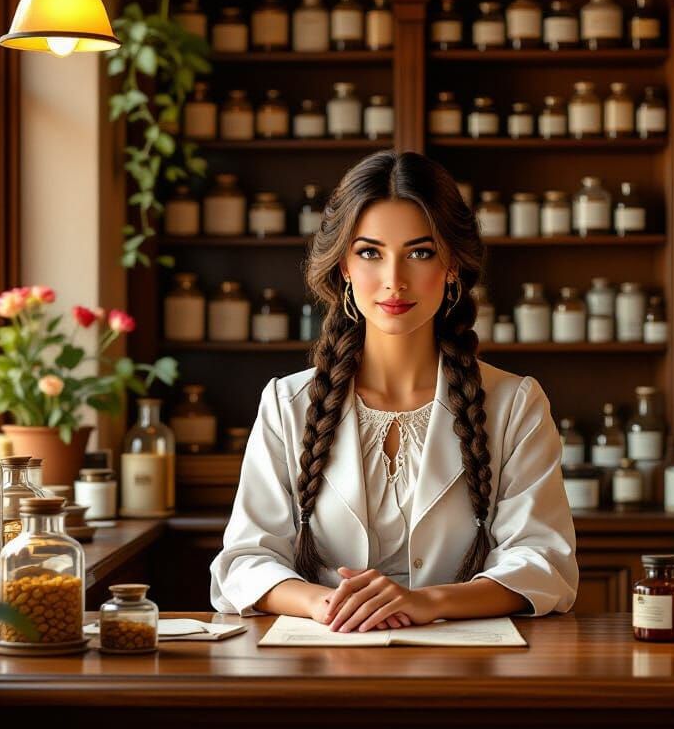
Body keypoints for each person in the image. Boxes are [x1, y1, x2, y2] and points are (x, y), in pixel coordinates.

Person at [210, 150, 577, 633]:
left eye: (420, 252)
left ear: (451, 267)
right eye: (370, 253)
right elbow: (243, 561)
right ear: (343, 266)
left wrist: (429, 601)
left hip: (469, 671)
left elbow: (544, 563)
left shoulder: (515, 404)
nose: (394, 281)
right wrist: (327, 605)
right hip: (323, 656)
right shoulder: (286, 404)